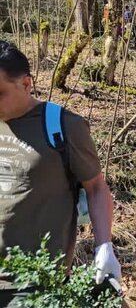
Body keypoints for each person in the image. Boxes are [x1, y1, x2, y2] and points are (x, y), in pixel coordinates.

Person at [0, 41, 121, 305]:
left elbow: (96, 187)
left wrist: (104, 246)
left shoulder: (63, 126)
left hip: (35, 279)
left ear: (26, 85)